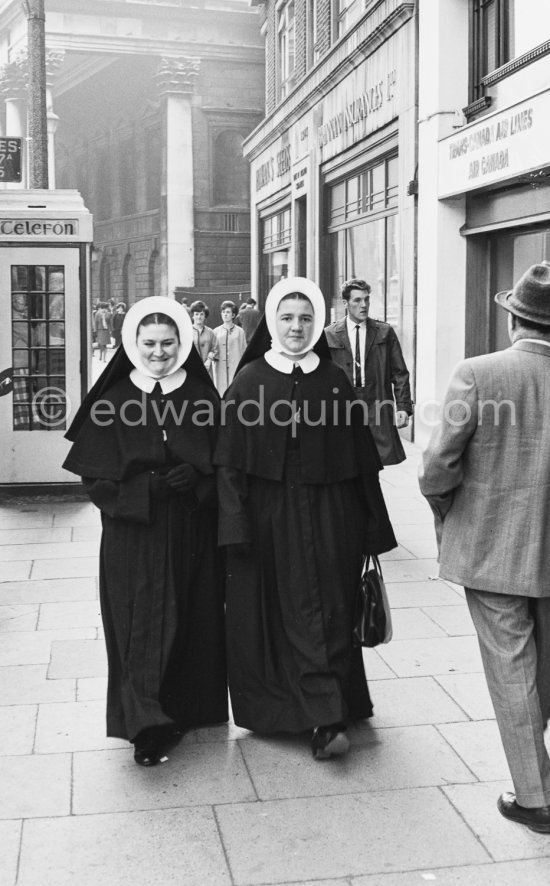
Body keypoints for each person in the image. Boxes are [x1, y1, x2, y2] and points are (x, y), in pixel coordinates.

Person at [215, 277, 396, 759]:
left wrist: (371, 527)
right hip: (268, 515)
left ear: (318, 323)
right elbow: (230, 463)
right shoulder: (250, 378)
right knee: (284, 610)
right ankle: (307, 712)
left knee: (329, 608)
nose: (297, 327)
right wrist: (234, 524)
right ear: (272, 322)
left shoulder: (334, 379)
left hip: (331, 513)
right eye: (287, 318)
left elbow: (360, 462)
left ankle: (329, 712)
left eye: (306, 318)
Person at [63, 296, 228, 767]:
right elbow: (94, 479)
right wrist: (144, 489)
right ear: (132, 344)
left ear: (183, 343)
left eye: (169, 343)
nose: (160, 352)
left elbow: (225, 467)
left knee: (190, 618)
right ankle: (145, 724)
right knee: (138, 623)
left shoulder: (199, 396)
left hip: (188, 530)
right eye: (150, 343)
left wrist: (197, 481)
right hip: (132, 534)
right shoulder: (112, 401)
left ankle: (183, 710)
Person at [419, 261, 550, 833]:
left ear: (513, 319)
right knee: (541, 670)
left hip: (494, 547)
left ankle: (535, 795)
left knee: (512, 669)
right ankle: (537, 774)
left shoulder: (478, 373)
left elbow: (437, 466)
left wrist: (449, 514)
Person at [325, 278, 413, 465]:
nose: (363, 305)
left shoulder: (384, 332)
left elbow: (399, 373)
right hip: (343, 405)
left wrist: (403, 406)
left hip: (376, 404)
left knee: (375, 461)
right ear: (345, 303)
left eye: (366, 300)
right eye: (357, 300)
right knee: (345, 460)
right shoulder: (330, 334)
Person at [213, 300, 246, 395]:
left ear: (233, 315)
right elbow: (213, 350)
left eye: (228, 312)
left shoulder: (240, 332)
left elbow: (244, 350)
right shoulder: (216, 331)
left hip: (235, 365)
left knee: (235, 390)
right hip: (220, 368)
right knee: (221, 391)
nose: (225, 314)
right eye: (223, 312)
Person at [190, 300, 219, 381]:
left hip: (207, 369)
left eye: (201, 314)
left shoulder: (210, 332)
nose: (199, 317)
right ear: (192, 316)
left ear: (205, 316)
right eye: (196, 314)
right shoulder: (187, 332)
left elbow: (215, 349)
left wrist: (209, 360)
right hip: (191, 369)